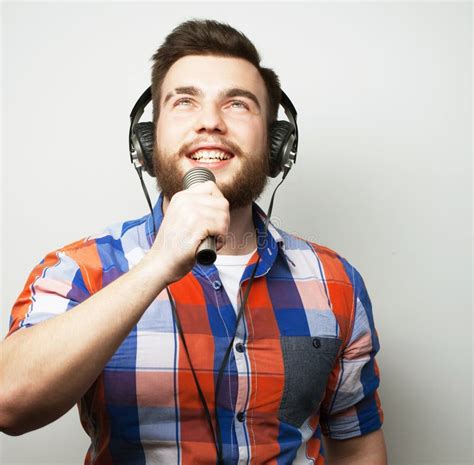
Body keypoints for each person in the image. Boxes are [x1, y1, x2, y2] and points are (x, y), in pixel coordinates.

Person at [0, 19, 387, 465]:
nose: (209, 123)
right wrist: (156, 266)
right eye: (185, 102)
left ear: (278, 144)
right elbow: (10, 405)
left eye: (238, 105)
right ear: (147, 141)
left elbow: (357, 446)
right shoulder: (79, 269)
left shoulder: (336, 281)